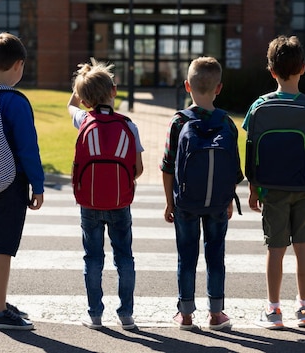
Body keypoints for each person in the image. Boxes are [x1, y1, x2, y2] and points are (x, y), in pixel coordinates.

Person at [242, 35, 305, 329]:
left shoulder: (258, 107)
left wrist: (254, 189)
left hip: (272, 189)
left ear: (270, 70)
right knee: (303, 246)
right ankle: (304, 308)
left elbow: (253, 150)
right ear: (303, 68)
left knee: (275, 248)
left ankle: (273, 309)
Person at [161, 56, 243, 331]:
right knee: (215, 254)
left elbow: (167, 165)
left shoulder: (178, 121)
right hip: (218, 202)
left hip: (185, 202)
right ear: (219, 88)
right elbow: (234, 166)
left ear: (187, 86)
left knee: (186, 256)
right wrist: (229, 198)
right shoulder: (227, 123)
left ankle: (185, 314)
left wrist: (169, 202)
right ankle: (216, 314)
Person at [68, 58, 144, 331]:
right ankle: (126, 314)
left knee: (93, 258)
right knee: (124, 256)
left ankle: (95, 315)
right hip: (120, 203)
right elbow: (138, 169)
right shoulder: (129, 126)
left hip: (88, 203)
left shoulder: (83, 119)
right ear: (114, 91)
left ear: (86, 99)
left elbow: (71, 106)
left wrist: (81, 90)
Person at [0, 33, 45, 330]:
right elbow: (28, 148)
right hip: (10, 181)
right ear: (19, 65)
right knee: (3, 248)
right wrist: (38, 185)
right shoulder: (15, 101)